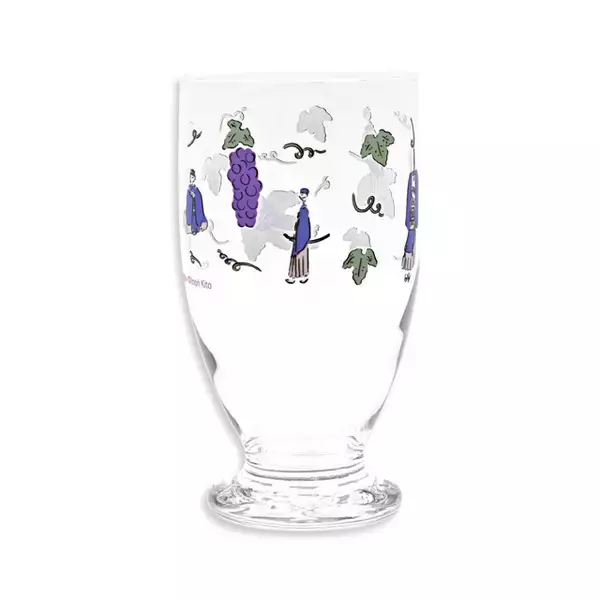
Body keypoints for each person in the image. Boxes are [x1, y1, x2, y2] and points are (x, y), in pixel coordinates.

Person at [285, 188, 311, 284]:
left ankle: (297, 277)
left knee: (298, 256)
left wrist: (300, 238)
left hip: (301, 237)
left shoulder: (304, 210)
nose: (302, 197)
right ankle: (300, 276)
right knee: (300, 256)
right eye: (301, 195)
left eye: (304, 195)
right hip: (300, 236)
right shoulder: (303, 209)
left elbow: (304, 226)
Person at [186, 169, 208, 234]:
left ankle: (196, 228)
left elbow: (199, 200)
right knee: (192, 217)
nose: (191, 178)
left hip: (196, 208)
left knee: (196, 217)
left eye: (192, 177)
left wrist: (195, 197)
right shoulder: (188, 189)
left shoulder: (196, 189)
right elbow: (188, 202)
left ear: (194, 178)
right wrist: (191, 197)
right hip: (191, 208)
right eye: (190, 177)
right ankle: (192, 229)